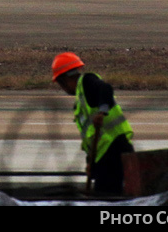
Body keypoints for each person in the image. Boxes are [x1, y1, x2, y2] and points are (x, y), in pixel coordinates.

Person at [52, 51, 135, 194]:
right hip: (103, 154)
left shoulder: (87, 81)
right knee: (106, 194)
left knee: (106, 197)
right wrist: (90, 163)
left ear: (64, 80)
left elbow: (106, 88)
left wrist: (102, 111)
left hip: (115, 147)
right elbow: (90, 137)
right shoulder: (80, 100)